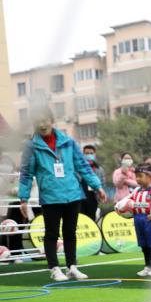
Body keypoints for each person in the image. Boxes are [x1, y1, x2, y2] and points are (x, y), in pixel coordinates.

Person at [18, 106, 107, 281]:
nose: (42, 125)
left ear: (52, 121)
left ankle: (72, 267)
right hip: (50, 196)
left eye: (45, 120)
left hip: (73, 193)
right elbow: (26, 173)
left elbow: (83, 166)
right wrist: (23, 198)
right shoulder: (31, 146)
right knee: (51, 233)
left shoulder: (68, 141)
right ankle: (54, 268)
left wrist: (97, 186)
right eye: (38, 122)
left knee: (70, 232)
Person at [79, 144, 104, 220]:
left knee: (91, 219)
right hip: (80, 198)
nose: (89, 155)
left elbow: (102, 182)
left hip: (93, 197)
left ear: (94, 154)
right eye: (87, 153)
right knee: (81, 218)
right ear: (83, 154)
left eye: (91, 153)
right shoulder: (79, 167)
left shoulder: (99, 169)